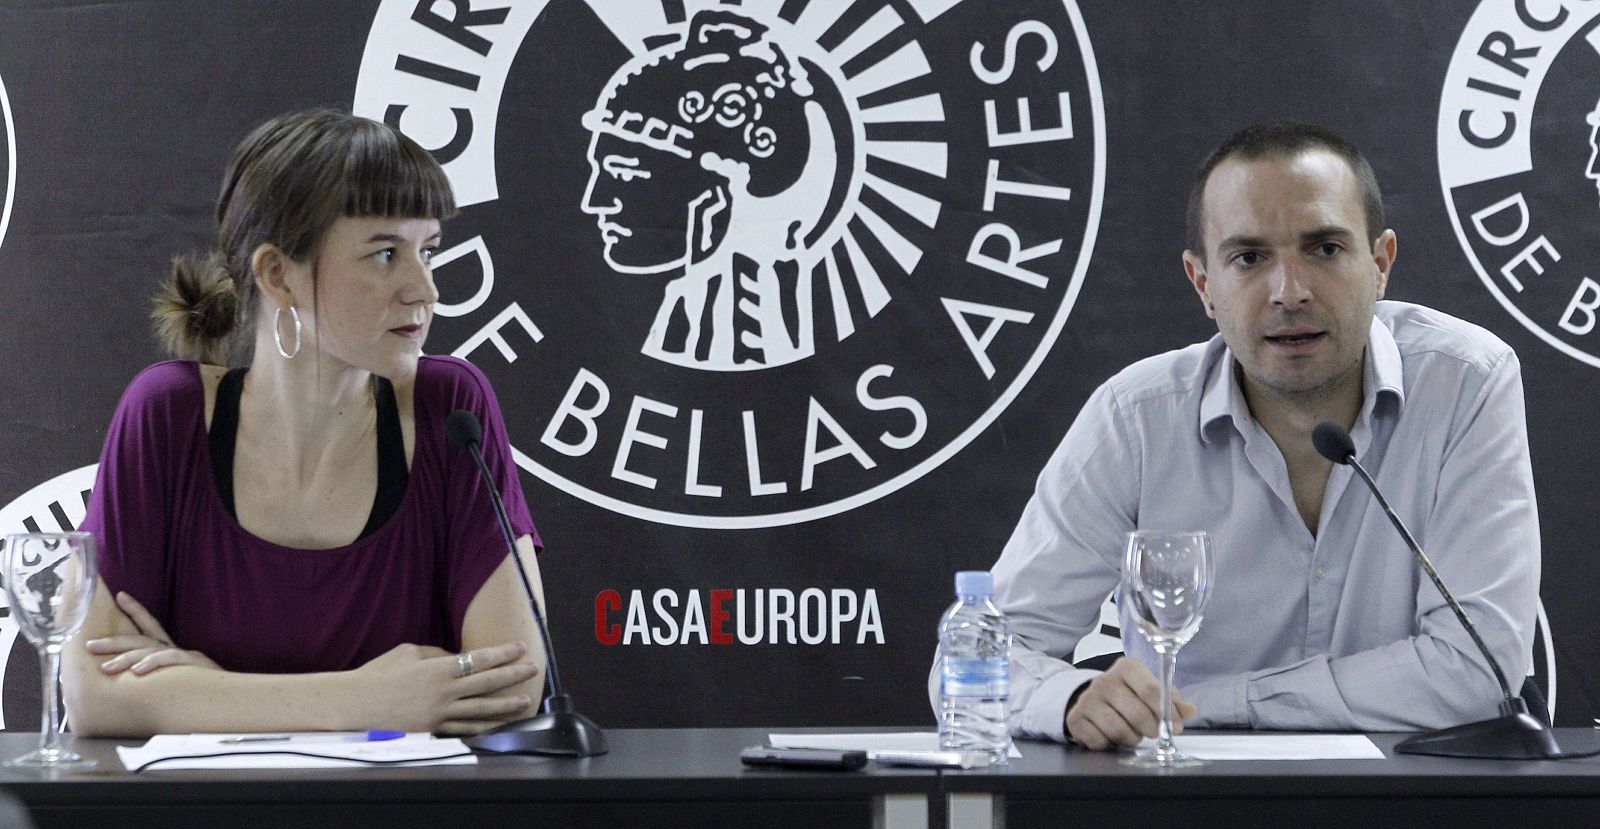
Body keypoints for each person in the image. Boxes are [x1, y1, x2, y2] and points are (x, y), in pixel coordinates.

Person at [931, 122, 1541, 750]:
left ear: (1379, 264)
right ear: (1204, 285)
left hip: (1409, 804)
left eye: (1325, 249)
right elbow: (976, 660)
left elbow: (1476, 670)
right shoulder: (1137, 418)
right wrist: (1074, 699)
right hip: (1198, 804)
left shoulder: (1465, 381)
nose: (1290, 292)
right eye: (1249, 258)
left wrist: (1213, 703)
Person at [63, 109, 548, 737]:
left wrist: (197, 690)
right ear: (277, 275)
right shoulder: (166, 415)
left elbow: (515, 684)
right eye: (383, 254)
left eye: (427, 251)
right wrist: (375, 700)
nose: (424, 289)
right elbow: (90, 695)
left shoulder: (450, 404)